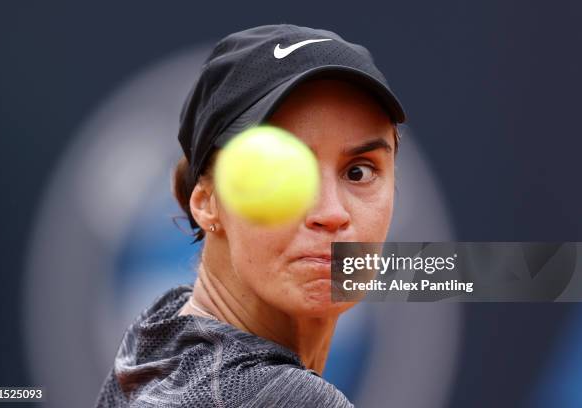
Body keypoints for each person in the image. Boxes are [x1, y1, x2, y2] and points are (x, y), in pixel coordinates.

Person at [94, 23, 405, 407]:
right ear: (206, 200)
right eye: (281, 174)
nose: (332, 213)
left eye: (358, 171)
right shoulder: (291, 400)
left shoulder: (160, 335)